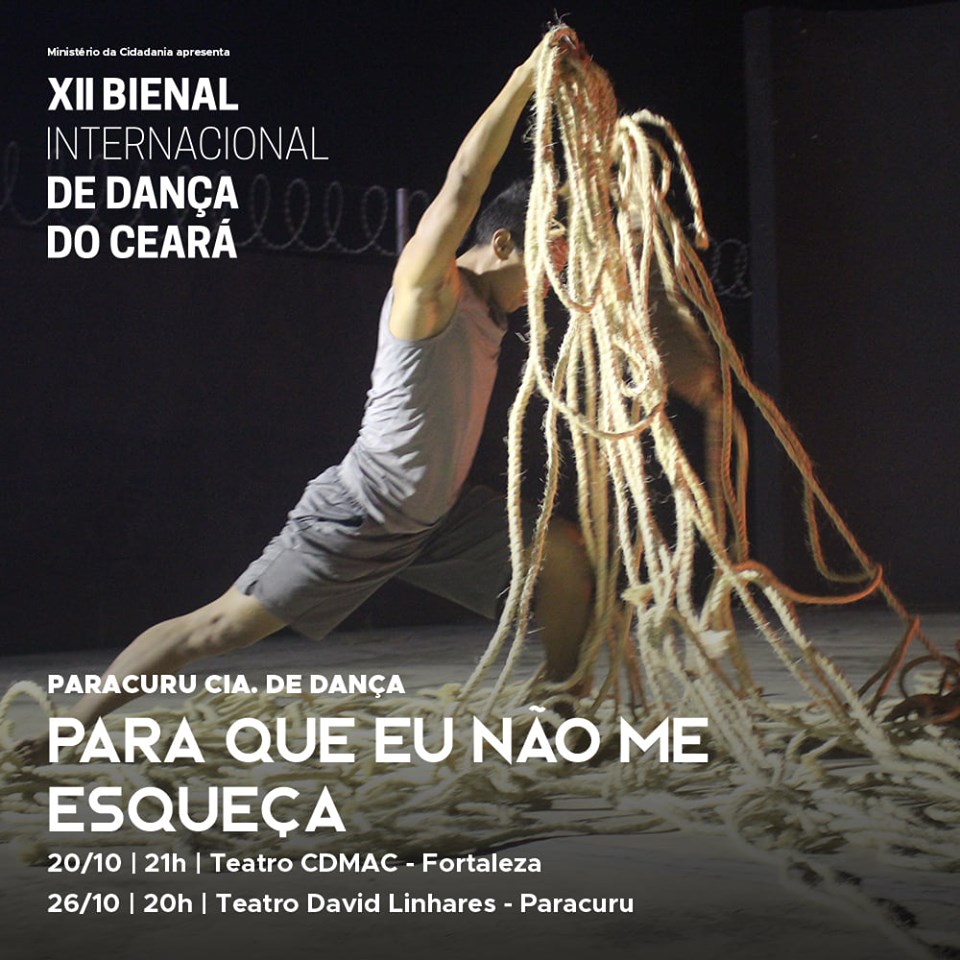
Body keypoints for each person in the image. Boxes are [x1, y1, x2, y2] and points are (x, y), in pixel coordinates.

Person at [16, 34, 593, 764]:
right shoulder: (431, 289)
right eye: (551, 254)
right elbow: (462, 184)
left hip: (438, 521)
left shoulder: (500, 310)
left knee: (564, 557)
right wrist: (523, 80)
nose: (558, 276)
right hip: (362, 512)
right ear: (504, 242)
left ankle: (560, 704)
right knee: (217, 628)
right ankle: (71, 728)